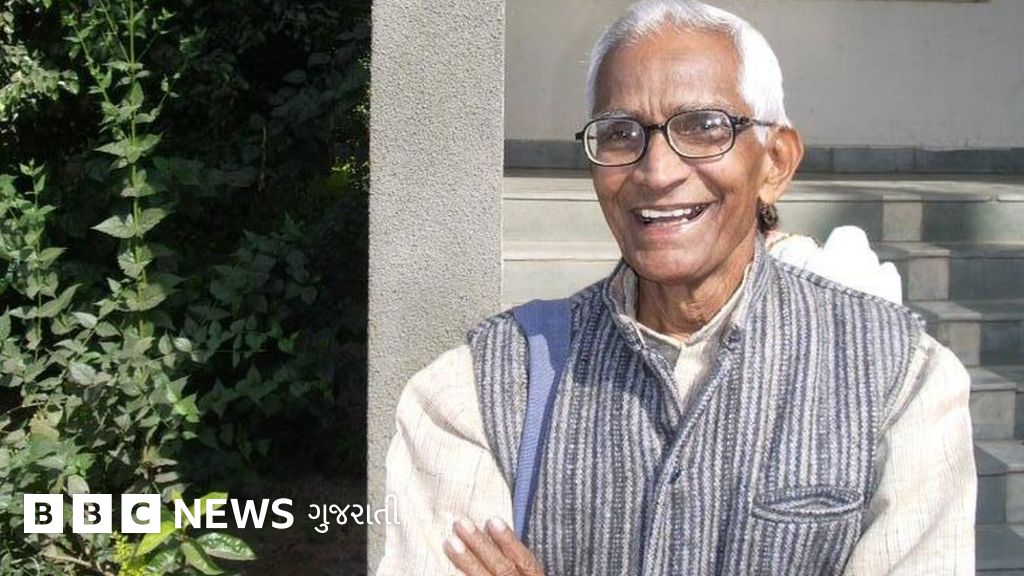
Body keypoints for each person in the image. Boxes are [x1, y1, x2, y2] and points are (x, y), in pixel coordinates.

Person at [376, 1, 975, 574]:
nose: (657, 172)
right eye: (620, 132)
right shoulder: (478, 391)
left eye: (705, 127)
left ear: (775, 163)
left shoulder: (901, 380)